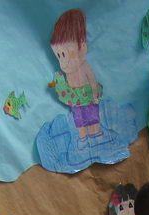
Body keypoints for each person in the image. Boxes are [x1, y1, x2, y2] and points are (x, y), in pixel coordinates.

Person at [49, 9, 102, 139]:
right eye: (59, 56)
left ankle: (96, 134)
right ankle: (83, 137)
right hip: (75, 100)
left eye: (65, 54)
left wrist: (94, 95)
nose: (63, 61)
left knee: (92, 118)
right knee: (79, 121)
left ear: (82, 46)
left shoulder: (84, 66)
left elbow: (92, 80)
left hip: (88, 98)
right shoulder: (69, 70)